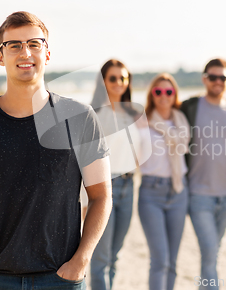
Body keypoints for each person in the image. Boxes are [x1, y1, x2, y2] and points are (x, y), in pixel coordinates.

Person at [0, 11, 112, 290]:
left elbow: (101, 196)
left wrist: (81, 260)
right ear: (1, 56)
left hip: (62, 279)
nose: (25, 52)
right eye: (15, 45)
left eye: (34, 44)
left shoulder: (79, 117)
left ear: (46, 54)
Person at [180, 58, 226, 290]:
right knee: (210, 252)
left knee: (213, 255)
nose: (218, 81)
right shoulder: (189, 107)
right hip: (198, 195)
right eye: (213, 77)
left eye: (223, 77)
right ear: (204, 79)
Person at [89, 59, 144, 290]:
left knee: (115, 254)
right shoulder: (93, 115)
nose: (119, 82)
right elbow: (85, 160)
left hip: (129, 186)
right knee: (101, 257)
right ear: (103, 81)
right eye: (113, 78)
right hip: (103, 187)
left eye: (123, 78)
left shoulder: (133, 113)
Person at [138, 73, 190, 290]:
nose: (163, 96)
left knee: (173, 262)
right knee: (160, 260)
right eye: (158, 91)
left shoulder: (181, 120)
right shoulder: (142, 121)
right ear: (152, 94)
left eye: (168, 91)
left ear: (174, 94)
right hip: (151, 193)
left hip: (179, 191)